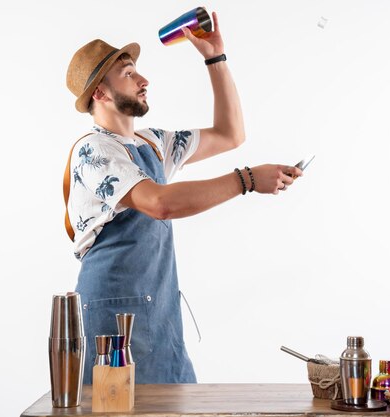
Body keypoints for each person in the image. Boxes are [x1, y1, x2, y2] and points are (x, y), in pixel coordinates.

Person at [64, 12, 302, 384]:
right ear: (100, 93)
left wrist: (215, 58)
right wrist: (247, 180)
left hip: (158, 313)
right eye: (128, 74)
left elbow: (230, 133)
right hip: (111, 319)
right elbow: (160, 203)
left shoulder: (153, 143)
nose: (143, 80)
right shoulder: (94, 151)